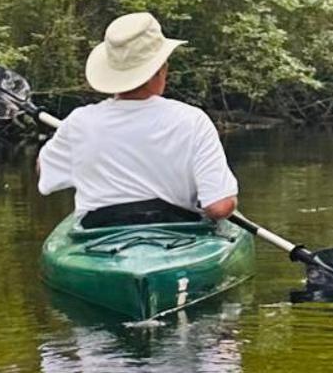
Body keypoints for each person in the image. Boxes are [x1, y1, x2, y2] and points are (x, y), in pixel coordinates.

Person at [37, 12, 238, 227]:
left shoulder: (79, 122)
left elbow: (44, 170)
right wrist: (230, 200)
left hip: (97, 238)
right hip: (173, 237)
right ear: (161, 69)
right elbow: (218, 207)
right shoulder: (192, 121)